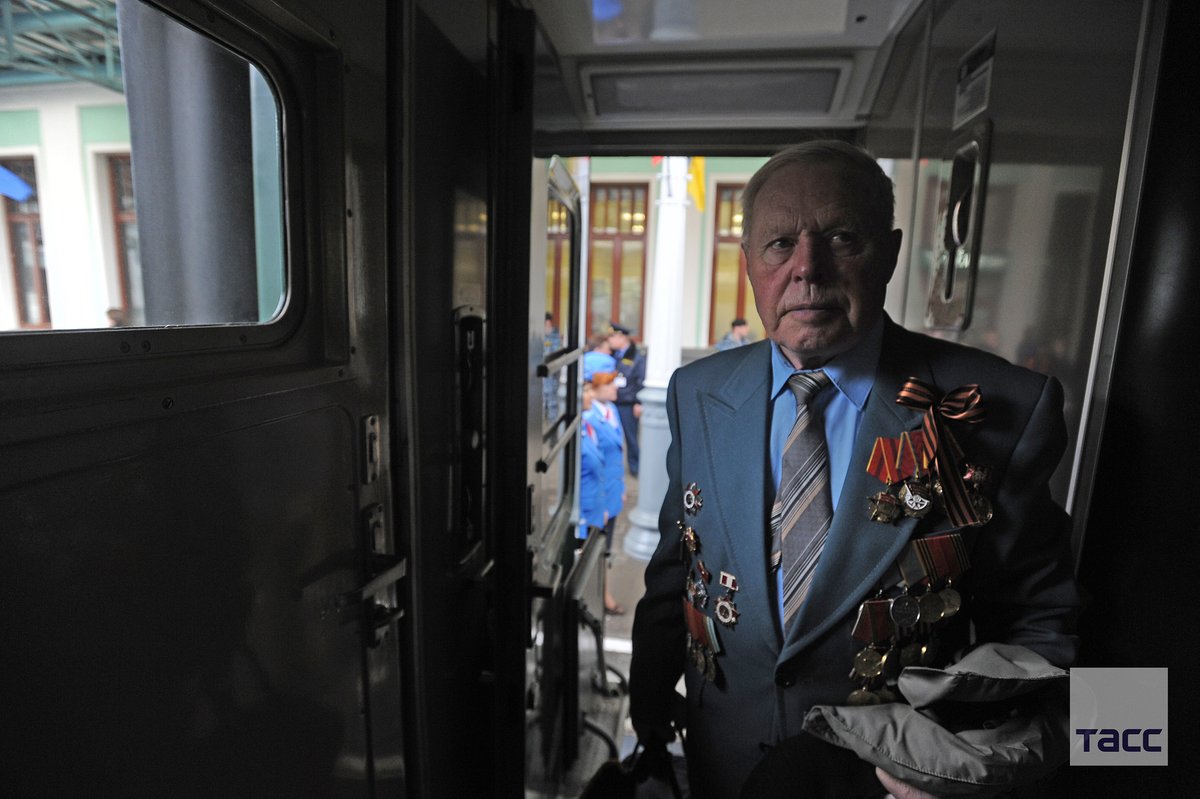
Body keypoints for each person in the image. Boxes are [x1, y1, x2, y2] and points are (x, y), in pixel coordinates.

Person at [629, 140, 1080, 799]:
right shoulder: (698, 392)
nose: (807, 269)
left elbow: (1043, 624)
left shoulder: (1000, 407)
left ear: (890, 253)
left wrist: (978, 764)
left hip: (884, 780)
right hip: (723, 764)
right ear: (749, 261)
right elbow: (677, 568)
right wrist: (647, 707)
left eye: (841, 238)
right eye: (780, 244)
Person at [583, 350, 627, 616]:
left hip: (611, 495)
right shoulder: (588, 418)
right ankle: (598, 596)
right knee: (594, 550)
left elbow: (616, 456)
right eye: (609, 382)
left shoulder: (611, 410)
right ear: (593, 385)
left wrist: (620, 490)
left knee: (605, 548)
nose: (615, 387)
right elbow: (590, 467)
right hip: (597, 500)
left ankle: (600, 592)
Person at [606, 322, 647, 477]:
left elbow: (641, 380)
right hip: (612, 402)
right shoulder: (612, 354)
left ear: (622, 337)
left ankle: (635, 467)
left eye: (612, 337)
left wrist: (638, 402)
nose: (610, 340)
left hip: (628, 404)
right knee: (610, 437)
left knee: (631, 438)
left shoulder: (637, 356)